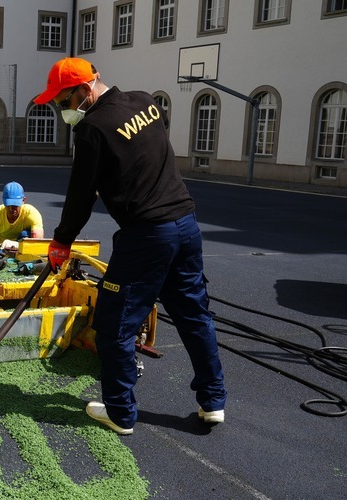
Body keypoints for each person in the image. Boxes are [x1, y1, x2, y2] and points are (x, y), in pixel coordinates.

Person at [34, 57, 227, 435]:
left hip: (146, 236)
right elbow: (148, 143)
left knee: (115, 324)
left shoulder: (91, 129)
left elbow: (81, 194)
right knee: (194, 315)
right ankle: (213, 400)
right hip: (186, 225)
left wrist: (61, 241)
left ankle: (120, 412)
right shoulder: (145, 101)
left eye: (63, 101)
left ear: (84, 90)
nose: (63, 110)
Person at [0, 181, 44, 255]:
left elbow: (38, 242)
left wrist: (18, 245)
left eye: (15, 205)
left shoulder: (31, 213)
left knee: (25, 234)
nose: (11, 209)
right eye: (8, 205)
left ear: (23, 200)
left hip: (25, 251)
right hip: (3, 251)